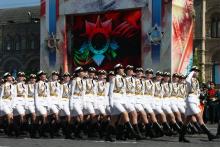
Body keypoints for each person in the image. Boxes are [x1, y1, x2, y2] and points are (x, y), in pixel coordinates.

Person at [179, 66, 216, 142]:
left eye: (198, 71)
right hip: (190, 99)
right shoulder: (189, 79)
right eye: (196, 71)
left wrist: (201, 97)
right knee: (199, 117)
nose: (197, 72)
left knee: (187, 120)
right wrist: (192, 72)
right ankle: (209, 134)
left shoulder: (196, 81)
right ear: (192, 72)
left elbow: (198, 91)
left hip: (195, 100)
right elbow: (187, 80)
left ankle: (181, 137)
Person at [70, 66, 86, 139]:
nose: (83, 73)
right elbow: (71, 93)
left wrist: (83, 103)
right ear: (78, 73)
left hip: (80, 101)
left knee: (74, 119)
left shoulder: (83, 81)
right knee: (81, 115)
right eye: (82, 72)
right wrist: (71, 103)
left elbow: (83, 93)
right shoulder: (74, 80)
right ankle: (79, 132)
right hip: (74, 100)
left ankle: (72, 133)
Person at [34, 70, 50, 137]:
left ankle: (36, 132)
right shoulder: (37, 84)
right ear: (40, 77)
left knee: (38, 118)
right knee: (44, 116)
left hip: (45, 103)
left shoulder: (46, 84)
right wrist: (36, 105)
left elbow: (48, 94)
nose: (44, 76)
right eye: (43, 75)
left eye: (45, 75)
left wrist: (49, 104)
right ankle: (41, 132)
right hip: (39, 103)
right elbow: (35, 95)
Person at [59, 72, 72, 139]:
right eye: (65, 77)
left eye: (68, 77)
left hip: (69, 103)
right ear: (63, 78)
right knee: (68, 116)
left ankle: (65, 131)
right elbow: (59, 96)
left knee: (64, 119)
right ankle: (68, 133)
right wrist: (60, 105)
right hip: (63, 103)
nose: (67, 78)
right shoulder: (61, 86)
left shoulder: (71, 85)